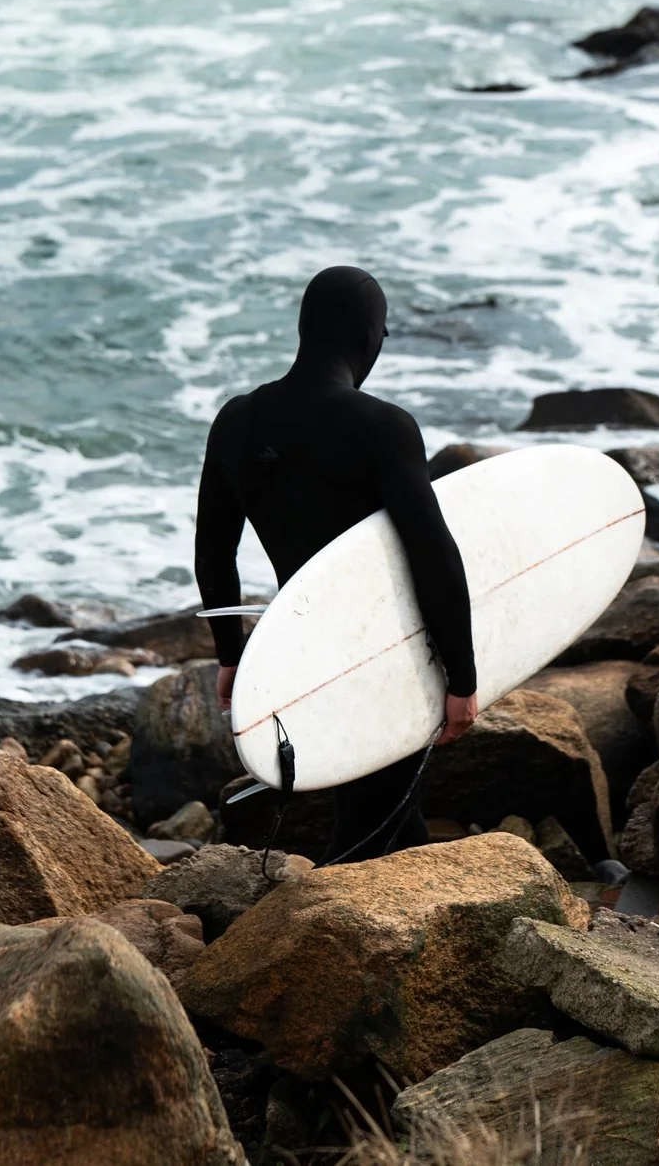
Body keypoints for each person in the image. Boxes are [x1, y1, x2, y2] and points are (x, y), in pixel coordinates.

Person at [194, 266, 478, 862]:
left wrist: (231, 652)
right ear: (370, 337)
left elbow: (213, 549)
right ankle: (323, 930)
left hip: (303, 644)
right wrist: (463, 678)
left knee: (386, 804)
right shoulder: (383, 427)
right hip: (384, 647)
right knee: (373, 820)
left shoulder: (236, 420)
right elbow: (433, 552)